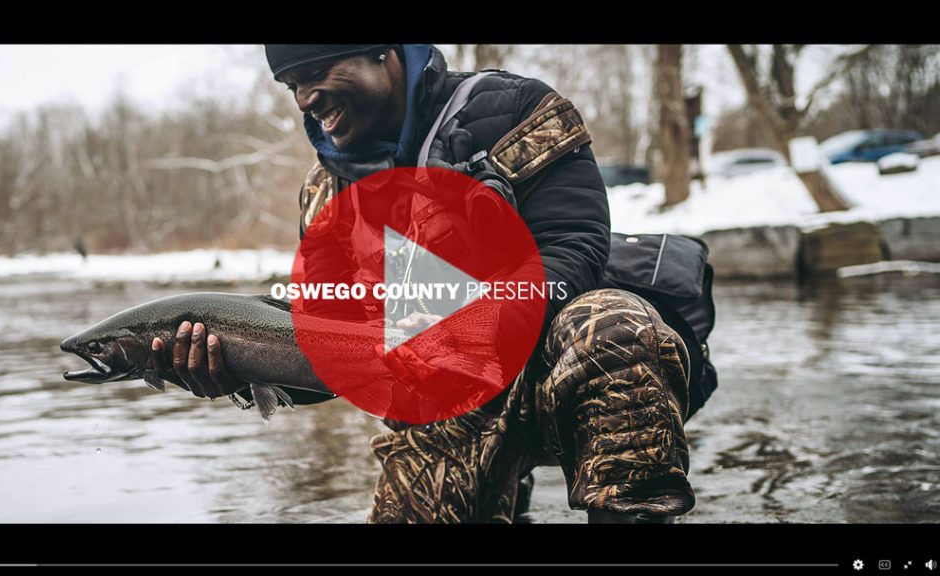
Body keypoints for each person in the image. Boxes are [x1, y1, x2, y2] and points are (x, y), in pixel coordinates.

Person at [148, 44, 695, 523]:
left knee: (613, 328)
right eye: (293, 86)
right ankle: (501, 487)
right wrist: (239, 372)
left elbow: (574, 245)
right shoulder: (324, 196)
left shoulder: (515, 112)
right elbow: (330, 357)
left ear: (380, 52)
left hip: (553, 368)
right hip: (441, 406)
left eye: (317, 73)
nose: (305, 100)